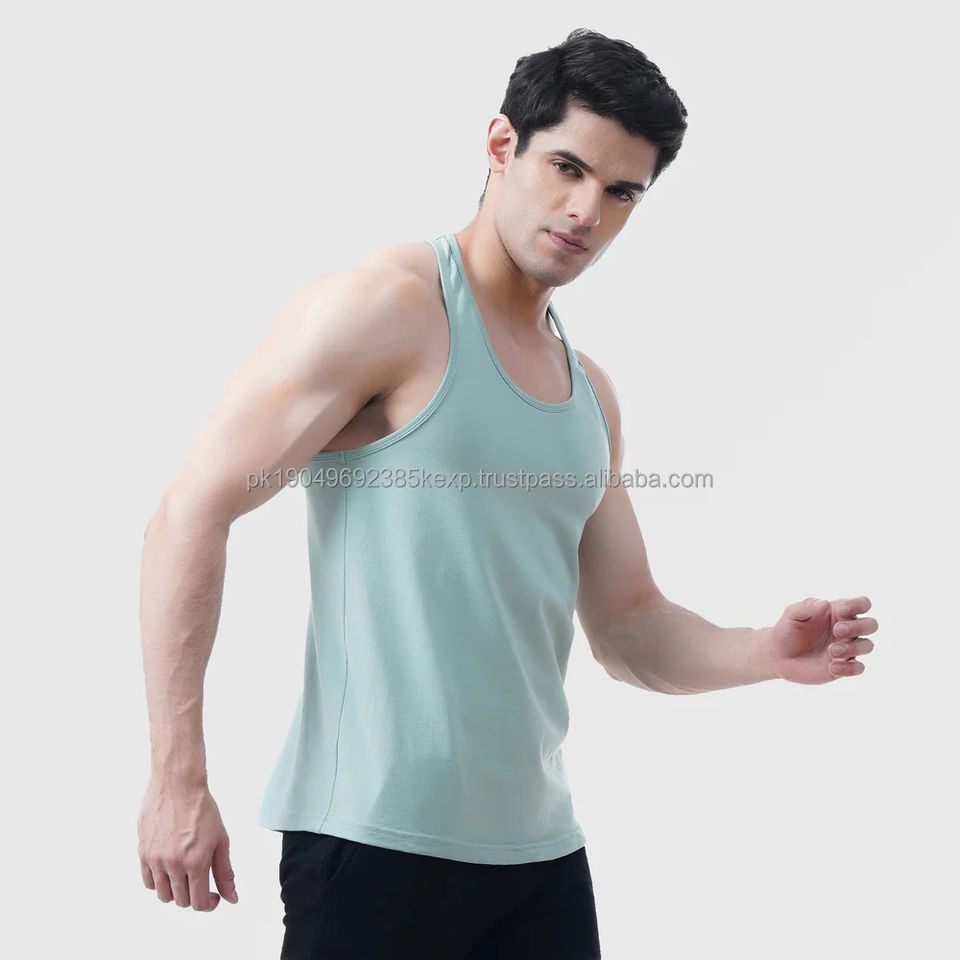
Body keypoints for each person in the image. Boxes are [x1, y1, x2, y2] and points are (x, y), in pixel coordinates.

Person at [137, 27, 877, 959]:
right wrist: (176, 775)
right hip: (373, 847)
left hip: (540, 861)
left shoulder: (589, 393)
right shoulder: (385, 309)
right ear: (500, 145)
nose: (586, 210)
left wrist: (764, 650)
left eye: (621, 192)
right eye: (567, 167)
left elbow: (629, 625)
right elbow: (190, 512)